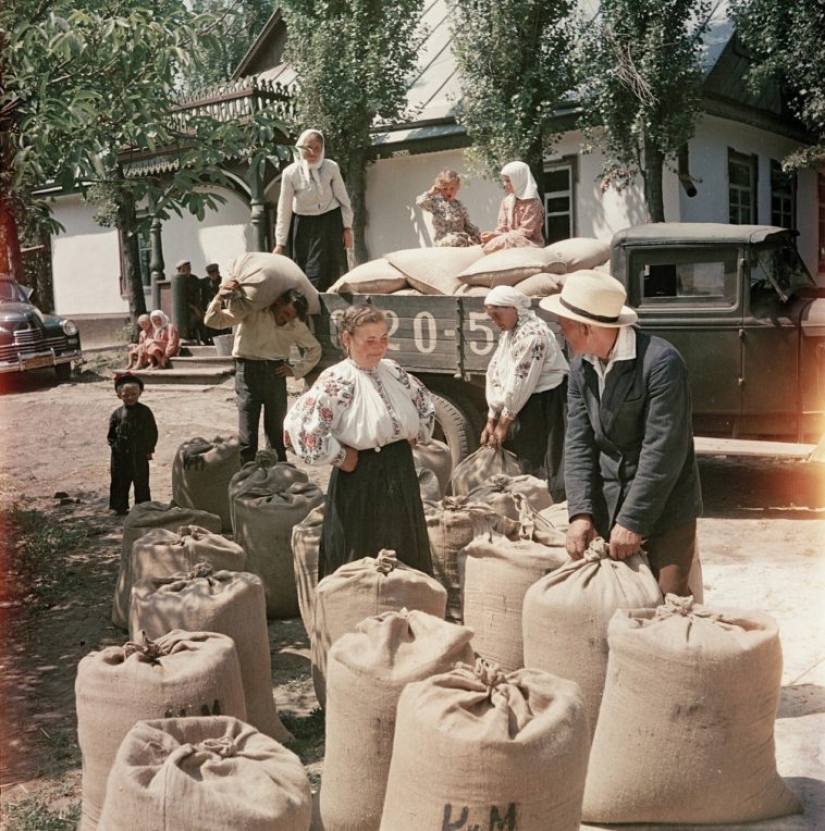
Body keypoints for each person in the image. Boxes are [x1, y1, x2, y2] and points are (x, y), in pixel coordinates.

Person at [540, 270, 703, 596]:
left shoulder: (660, 363)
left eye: (565, 326)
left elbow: (663, 451)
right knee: (612, 606)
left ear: (587, 328)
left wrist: (633, 521)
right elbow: (578, 444)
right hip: (608, 505)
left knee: (667, 606)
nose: (562, 334)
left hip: (664, 509)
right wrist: (582, 513)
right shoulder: (580, 368)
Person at [284, 304, 435, 579]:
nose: (378, 347)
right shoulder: (336, 380)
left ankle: (406, 609)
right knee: (361, 551)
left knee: (403, 547)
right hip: (362, 476)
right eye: (369, 340)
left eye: (384, 339)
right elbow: (300, 428)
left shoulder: (393, 371)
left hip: (399, 471)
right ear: (347, 339)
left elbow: (424, 403)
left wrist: (414, 432)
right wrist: (339, 456)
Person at [204, 281, 321, 465]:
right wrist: (220, 296)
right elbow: (213, 320)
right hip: (247, 374)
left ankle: (277, 479)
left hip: (275, 375)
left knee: (276, 434)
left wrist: (296, 370)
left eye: (291, 316)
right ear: (278, 303)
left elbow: (314, 349)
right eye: (285, 313)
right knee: (247, 436)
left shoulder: (296, 326)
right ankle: (245, 482)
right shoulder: (253, 312)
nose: (286, 319)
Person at [481, 285, 569, 502]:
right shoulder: (510, 334)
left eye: (497, 315)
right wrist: (492, 417)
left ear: (514, 309)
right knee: (527, 458)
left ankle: (551, 506)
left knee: (546, 461)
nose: (495, 321)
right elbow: (497, 372)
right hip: (524, 403)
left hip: (545, 402)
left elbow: (521, 381)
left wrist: (504, 423)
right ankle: (533, 501)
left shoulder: (533, 336)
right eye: (491, 317)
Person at [273, 129, 354, 291]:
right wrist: (280, 243)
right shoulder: (290, 173)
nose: (313, 153)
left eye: (317, 148)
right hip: (305, 225)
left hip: (331, 221)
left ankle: (338, 309)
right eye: (308, 148)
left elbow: (344, 200)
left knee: (335, 270)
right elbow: (284, 208)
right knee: (310, 272)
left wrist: (347, 228)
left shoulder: (331, 167)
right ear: (300, 148)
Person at [108, 373, 158, 516]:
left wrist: (149, 448)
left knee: (141, 479)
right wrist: (114, 446)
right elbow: (111, 433)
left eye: (133, 394)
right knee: (119, 480)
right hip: (120, 454)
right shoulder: (117, 414)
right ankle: (119, 506)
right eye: (126, 395)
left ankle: (143, 506)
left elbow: (152, 431)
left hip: (139, 452)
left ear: (140, 393)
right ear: (119, 395)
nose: (129, 398)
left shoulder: (145, 412)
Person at [480, 161, 545, 253]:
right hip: (506, 238)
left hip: (528, 242)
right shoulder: (506, 202)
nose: (504, 184)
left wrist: (498, 237)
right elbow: (501, 227)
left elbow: (525, 232)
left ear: (519, 180)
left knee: (508, 241)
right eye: (504, 180)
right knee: (489, 244)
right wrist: (493, 235)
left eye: (508, 180)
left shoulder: (533, 203)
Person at [416, 169, 481, 247]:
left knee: (474, 241)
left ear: (457, 188)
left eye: (452, 188)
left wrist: (477, 234)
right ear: (440, 189)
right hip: (444, 239)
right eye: (445, 189)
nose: (448, 192)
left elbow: (467, 225)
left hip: (461, 237)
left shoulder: (459, 205)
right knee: (457, 241)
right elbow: (420, 202)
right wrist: (430, 193)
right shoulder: (436, 203)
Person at [175, 259, 206, 343]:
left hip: (194, 306)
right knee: (192, 319)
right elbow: (182, 299)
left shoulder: (194, 279)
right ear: (180, 270)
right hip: (184, 308)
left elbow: (197, 295)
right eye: (184, 269)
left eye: (189, 268)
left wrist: (198, 309)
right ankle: (189, 336)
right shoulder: (178, 280)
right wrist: (194, 309)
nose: (187, 271)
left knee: (205, 318)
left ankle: (205, 340)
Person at [200, 264, 231, 339]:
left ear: (218, 272)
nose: (213, 276)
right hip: (211, 309)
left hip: (223, 308)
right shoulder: (205, 283)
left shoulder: (223, 281)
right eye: (211, 274)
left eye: (214, 273)